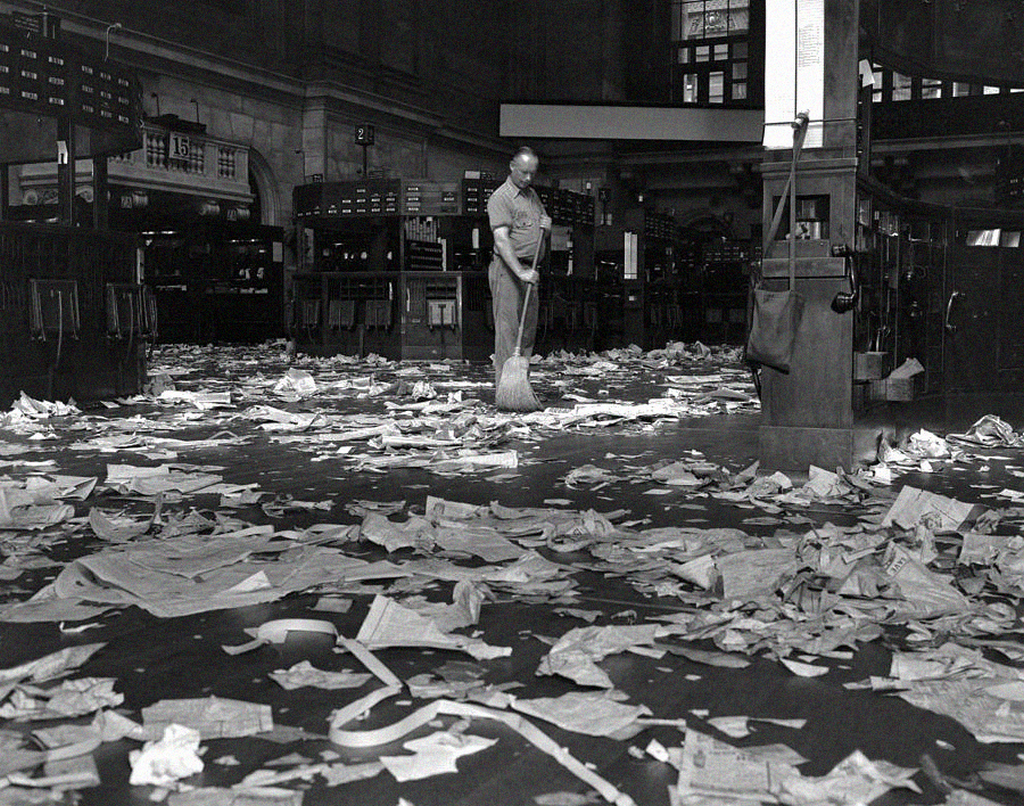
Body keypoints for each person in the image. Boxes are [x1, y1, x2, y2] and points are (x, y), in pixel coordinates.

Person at [487, 146, 552, 391]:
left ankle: (520, 389)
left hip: (530, 270)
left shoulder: (532, 196)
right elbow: (501, 240)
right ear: (512, 167)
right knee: (508, 334)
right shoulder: (501, 197)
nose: (527, 178)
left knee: (526, 334)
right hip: (508, 272)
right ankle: (505, 392)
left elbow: (539, 234)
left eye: (532, 173)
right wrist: (520, 272)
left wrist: (547, 228)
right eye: (523, 172)